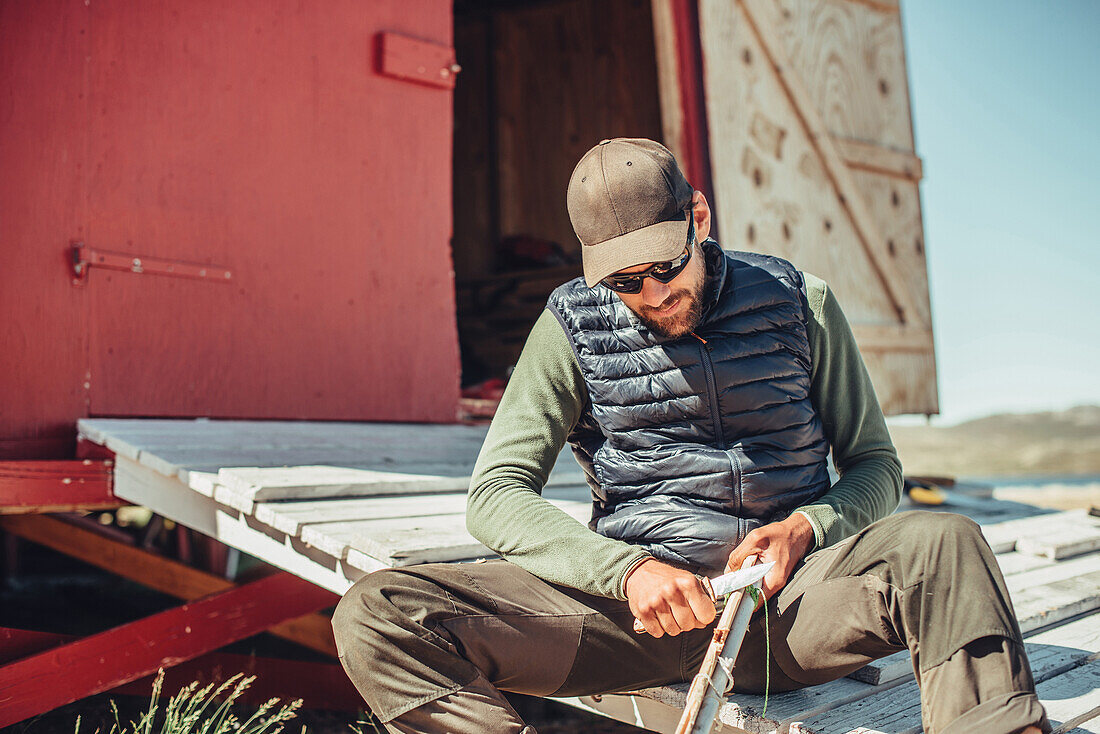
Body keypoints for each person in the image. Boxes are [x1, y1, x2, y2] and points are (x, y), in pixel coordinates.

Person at [333, 138, 1049, 734]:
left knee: (947, 544)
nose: (651, 295)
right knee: (377, 615)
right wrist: (627, 573)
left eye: (665, 267)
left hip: (789, 614)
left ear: (698, 217)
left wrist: (807, 526)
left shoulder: (802, 303)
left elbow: (874, 465)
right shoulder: (570, 326)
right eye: (623, 280)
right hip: (628, 620)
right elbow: (494, 494)